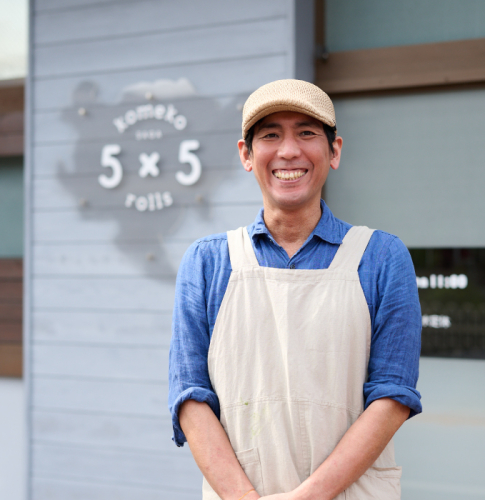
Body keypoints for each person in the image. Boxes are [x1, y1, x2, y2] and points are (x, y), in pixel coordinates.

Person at [168, 79, 422, 500]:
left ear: (334, 151)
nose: (288, 151)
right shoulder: (208, 262)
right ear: (246, 154)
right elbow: (190, 397)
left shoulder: (381, 257)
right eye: (270, 135)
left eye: (306, 133)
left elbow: (393, 396)